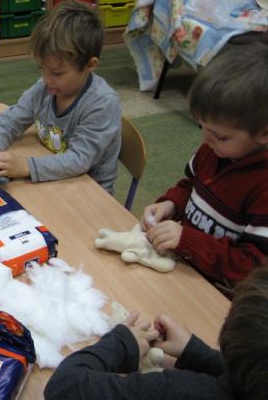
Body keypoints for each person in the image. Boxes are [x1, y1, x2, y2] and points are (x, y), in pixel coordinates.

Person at [141, 44, 268, 294]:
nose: (205, 141)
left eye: (220, 136)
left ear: (264, 133)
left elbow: (251, 268)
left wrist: (187, 240)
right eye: (202, 127)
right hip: (185, 269)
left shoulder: (262, 187)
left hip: (219, 295)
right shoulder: (214, 149)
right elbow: (191, 186)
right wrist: (172, 204)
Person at [44, 264, 268, 400]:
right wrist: (196, 353)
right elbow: (242, 384)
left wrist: (122, 343)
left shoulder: (175, 391)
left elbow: (64, 387)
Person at [0, 0, 121, 193]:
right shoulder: (44, 89)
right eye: (42, 69)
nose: (46, 79)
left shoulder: (102, 103)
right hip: (53, 180)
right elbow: (8, 121)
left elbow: (79, 160)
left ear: (90, 65)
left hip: (90, 191)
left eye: (57, 73)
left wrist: (26, 166)